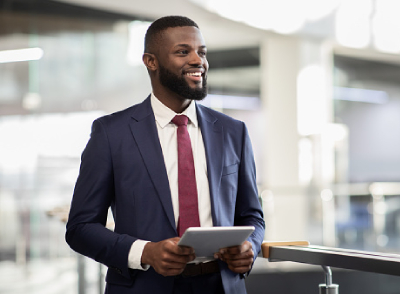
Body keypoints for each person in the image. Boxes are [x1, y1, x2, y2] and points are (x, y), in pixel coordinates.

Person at [66, 15, 265, 294]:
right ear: (151, 61)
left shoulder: (233, 132)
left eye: (202, 52)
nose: (198, 61)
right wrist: (145, 252)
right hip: (144, 285)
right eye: (183, 52)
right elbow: (80, 227)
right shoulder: (111, 133)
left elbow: (252, 216)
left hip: (222, 285)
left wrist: (250, 247)